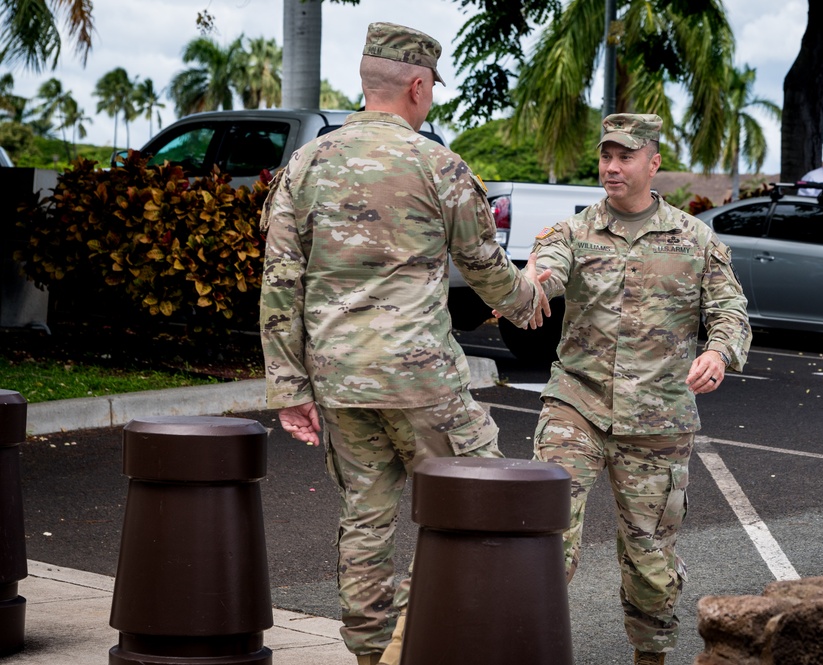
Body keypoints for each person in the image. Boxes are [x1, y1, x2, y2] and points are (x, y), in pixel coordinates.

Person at [259, 22, 549, 665]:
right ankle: (410, 642)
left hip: (338, 380)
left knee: (365, 516)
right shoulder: (437, 165)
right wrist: (530, 303)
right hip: (421, 378)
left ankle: (369, 652)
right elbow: (485, 268)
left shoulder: (304, 164)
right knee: (476, 491)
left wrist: (288, 389)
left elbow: (279, 283)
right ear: (417, 85)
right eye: (432, 89)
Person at [512, 114, 751, 665]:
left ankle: (652, 657)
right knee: (546, 541)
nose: (612, 168)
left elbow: (729, 309)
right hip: (576, 405)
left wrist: (718, 351)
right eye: (605, 156)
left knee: (650, 562)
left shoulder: (695, 239)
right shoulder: (571, 232)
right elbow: (542, 274)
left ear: (653, 163)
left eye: (625, 157)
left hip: (659, 420)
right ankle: (525, 648)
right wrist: (529, 287)